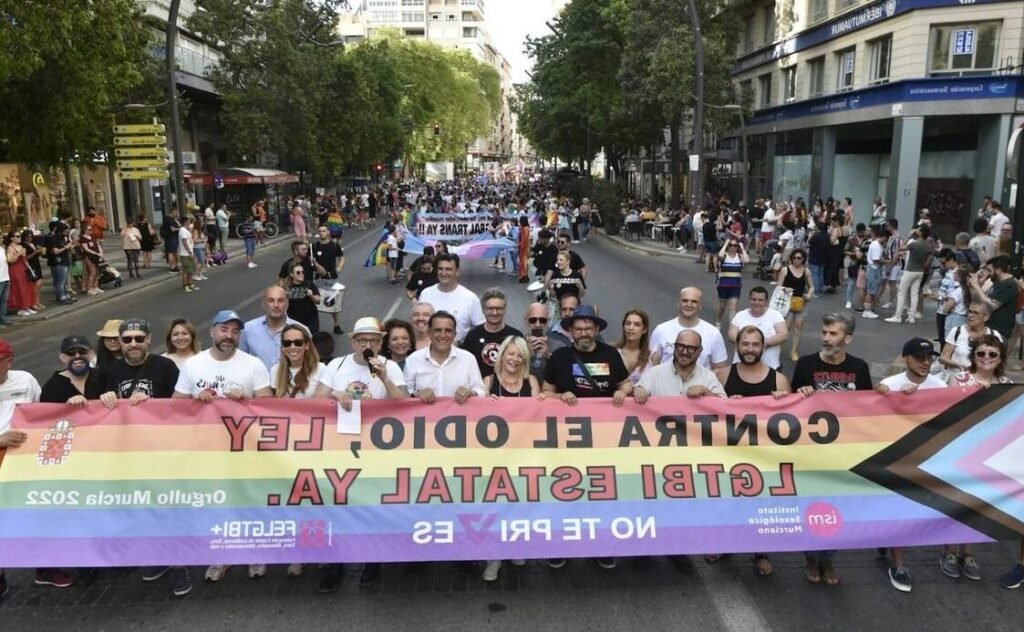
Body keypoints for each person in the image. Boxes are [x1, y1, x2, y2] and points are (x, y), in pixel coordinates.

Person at [173, 310, 272, 583]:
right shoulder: (193, 365)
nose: (229, 336)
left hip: (245, 449)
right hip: (207, 449)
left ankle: (255, 554)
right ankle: (221, 555)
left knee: (249, 500)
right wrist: (195, 397)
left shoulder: (253, 364)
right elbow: (175, 405)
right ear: (212, 331)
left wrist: (246, 400)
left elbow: (269, 407)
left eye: (235, 331)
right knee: (217, 503)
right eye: (224, 330)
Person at [314, 316, 408, 592]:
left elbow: (405, 404)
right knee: (338, 503)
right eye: (363, 340)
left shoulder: (389, 366)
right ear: (353, 341)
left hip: (378, 447)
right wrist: (335, 394)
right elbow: (316, 402)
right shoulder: (336, 365)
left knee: (372, 504)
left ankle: (372, 559)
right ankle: (336, 562)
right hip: (342, 445)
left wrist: (383, 377)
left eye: (374, 340)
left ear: (381, 343)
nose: (368, 345)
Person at [96, 320, 188, 596]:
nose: (133, 344)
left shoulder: (165, 367)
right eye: (127, 339)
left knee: (171, 508)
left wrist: (154, 405)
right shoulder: (108, 372)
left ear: (149, 340)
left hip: (164, 450)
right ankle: (158, 558)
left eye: (138, 338)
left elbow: (180, 405)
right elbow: (93, 409)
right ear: (119, 343)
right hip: (128, 452)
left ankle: (180, 566)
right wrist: (105, 398)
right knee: (143, 508)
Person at [542, 304, 630, 570]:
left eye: (588, 328)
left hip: (605, 441)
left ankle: (600, 547)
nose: (583, 333)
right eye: (578, 328)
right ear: (570, 331)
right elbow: (545, 393)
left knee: (601, 496)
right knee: (565, 496)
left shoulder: (611, 354)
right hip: (567, 441)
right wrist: (560, 397)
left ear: (596, 330)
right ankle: (561, 547)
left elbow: (625, 383)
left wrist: (624, 391)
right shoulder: (559, 358)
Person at [791, 312, 872, 587]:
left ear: (847, 338)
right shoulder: (805, 364)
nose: (826, 338)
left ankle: (828, 559)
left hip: (845, 456)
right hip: (812, 455)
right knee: (814, 509)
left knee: (840, 511)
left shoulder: (860, 368)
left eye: (833, 333)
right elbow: (788, 410)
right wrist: (797, 395)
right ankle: (812, 558)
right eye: (824, 332)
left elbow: (869, 410)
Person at [874, 337, 947, 592]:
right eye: (920, 358)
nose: (926, 362)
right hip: (898, 459)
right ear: (906, 358)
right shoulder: (889, 385)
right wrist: (887, 397)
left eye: (930, 358)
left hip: (930, 459)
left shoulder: (940, 386)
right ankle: (899, 563)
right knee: (899, 509)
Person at [37, 335, 108, 589]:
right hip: (68, 458)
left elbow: (122, 411)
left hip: (100, 456)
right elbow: (44, 426)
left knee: (96, 507)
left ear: (91, 354)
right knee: (72, 511)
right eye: (71, 353)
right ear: (62, 357)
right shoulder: (53, 387)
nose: (77, 356)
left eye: (82, 351)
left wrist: (112, 399)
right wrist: (65, 410)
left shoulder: (103, 378)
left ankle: (95, 557)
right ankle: (75, 559)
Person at [480, 335, 543, 581]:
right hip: (495, 458)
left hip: (524, 455)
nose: (514, 359)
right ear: (502, 354)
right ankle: (494, 557)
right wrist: (484, 404)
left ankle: (515, 547)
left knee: (520, 505)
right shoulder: (488, 381)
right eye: (511, 353)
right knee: (496, 507)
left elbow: (540, 414)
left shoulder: (531, 381)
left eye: (520, 355)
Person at [0, 338, 42, 598]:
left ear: (9, 360)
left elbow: (42, 411)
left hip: (25, 457)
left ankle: (45, 567)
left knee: (33, 512)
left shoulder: (26, 380)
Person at [404, 310, 486, 404]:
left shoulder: (468, 359)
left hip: (459, 417)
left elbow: (481, 392)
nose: (443, 335)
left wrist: (470, 393)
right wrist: (417, 394)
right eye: (438, 330)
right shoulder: (413, 360)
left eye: (448, 331)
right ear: (429, 333)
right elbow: (404, 394)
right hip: (424, 418)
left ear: (454, 334)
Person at [634, 329, 726, 403]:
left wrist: (706, 392)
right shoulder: (654, 374)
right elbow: (635, 395)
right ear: (674, 347)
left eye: (691, 348)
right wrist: (638, 391)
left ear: (700, 351)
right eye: (680, 346)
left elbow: (725, 406)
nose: (684, 352)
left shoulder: (708, 377)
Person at [649, 287, 728, 371]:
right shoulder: (661, 330)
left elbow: (720, 368)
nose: (689, 305)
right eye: (685, 301)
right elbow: (652, 363)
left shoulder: (713, 333)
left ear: (700, 306)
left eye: (694, 301)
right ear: (678, 303)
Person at [418, 253, 484, 343]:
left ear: (457, 272)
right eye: (440, 269)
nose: (443, 273)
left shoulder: (470, 298)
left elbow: (480, 328)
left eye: (448, 269)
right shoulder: (426, 294)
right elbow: (418, 324)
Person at [460, 288, 523, 378]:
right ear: (483, 310)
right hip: (480, 388)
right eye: (490, 308)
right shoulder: (472, 336)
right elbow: (464, 366)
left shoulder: (516, 336)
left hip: (508, 389)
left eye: (499, 308)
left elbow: (524, 366)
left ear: (505, 309)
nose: (494, 313)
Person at [240, 286, 307, 370]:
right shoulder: (248, 329)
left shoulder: (302, 330)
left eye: (280, 300)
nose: (276, 305)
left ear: (287, 304)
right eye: (271, 300)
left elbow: (310, 362)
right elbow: (240, 361)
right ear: (263, 304)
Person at [728, 286, 788, 369]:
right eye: (754, 299)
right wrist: (750, 343)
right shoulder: (740, 315)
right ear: (749, 300)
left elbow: (783, 335)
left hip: (770, 367)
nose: (756, 302)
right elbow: (731, 335)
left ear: (766, 301)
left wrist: (762, 343)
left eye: (760, 300)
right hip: (741, 366)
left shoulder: (776, 315)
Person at [885, 226, 932, 324]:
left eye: (919, 230)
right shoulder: (928, 246)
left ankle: (898, 316)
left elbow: (900, 248)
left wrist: (909, 236)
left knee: (902, 292)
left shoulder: (914, 244)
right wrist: (923, 265)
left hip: (910, 270)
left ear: (921, 233)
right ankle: (911, 316)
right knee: (914, 293)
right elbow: (928, 260)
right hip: (920, 271)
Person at [969, 255, 1019, 340]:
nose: (988, 273)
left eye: (989, 270)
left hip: (999, 331)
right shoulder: (997, 282)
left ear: (998, 270)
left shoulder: (1009, 284)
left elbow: (991, 306)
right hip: (987, 328)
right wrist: (972, 286)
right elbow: (978, 301)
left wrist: (977, 286)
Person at [778, 248, 814, 361]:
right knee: (786, 327)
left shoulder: (806, 271)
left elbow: (812, 286)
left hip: (801, 302)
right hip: (787, 301)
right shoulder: (785, 270)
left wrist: (809, 294)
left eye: (799, 258)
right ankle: (778, 348)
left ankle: (794, 351)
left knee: (798, 327)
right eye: (794, 258)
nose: (796, 260)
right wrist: (784, 289)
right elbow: (778, 286)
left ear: (803, 259)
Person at [311, 225, 345, 334]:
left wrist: (339, 267)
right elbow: (310, 262)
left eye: (324, 231)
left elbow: (342, 257)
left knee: (332, 302)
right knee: (315, 303)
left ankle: (337, 325)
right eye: (320, 231)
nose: (321, 233)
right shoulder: (314, 247)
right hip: (318, 279)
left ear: (328, 232)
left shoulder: (334, 246)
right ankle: (315, 328)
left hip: (331, 278)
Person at [715, 239, 749, 328]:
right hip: (723, 285)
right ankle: (718, 321)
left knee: (733, 306)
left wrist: (742, 247)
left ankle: (732, 326)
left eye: (735, 245)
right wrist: (725, 244)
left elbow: (747, 260)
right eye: (731, 245)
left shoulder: (739, 256)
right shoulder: (724, 256)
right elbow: (720, 255)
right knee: (722, 306)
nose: (733, 247)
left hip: (736, 285)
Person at [613, 309, 650, 386]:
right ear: (623, 327)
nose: (631, 328)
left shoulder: (651, 357)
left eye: (637, 324)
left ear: (644, 329)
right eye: (628, 323)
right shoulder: (612, 351)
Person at [282, 263, 321, 335]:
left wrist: (311, 295)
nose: (301, 274)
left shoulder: (309, 284)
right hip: (295, 321)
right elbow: (283, 306)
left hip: (311, 320)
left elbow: (318, 301)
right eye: (298, 272)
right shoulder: (287, 288)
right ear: (291, 274)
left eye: (302, 272)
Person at [44, 220, 74, 305]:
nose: (67, 232)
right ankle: (61, 296)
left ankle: (62, 294)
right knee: (60, 281)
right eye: (65, 230)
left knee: (63, 281)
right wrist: (65, 247)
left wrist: (71, 245)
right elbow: (55, 251)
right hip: (59, 261)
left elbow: (69, 247)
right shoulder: (54, 239)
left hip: (65, 260)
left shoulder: (63, 238)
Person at [176, 216, 197, 293]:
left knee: (190, 270)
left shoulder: (186, 230)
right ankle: (185, 285)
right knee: (186, 270)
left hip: (190, 252)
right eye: (188, 221)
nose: (189, 222)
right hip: (185, 253)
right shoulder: (182, 230)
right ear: (185, 222)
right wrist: (189, 252)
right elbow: (185, 242)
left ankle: (190, 283)